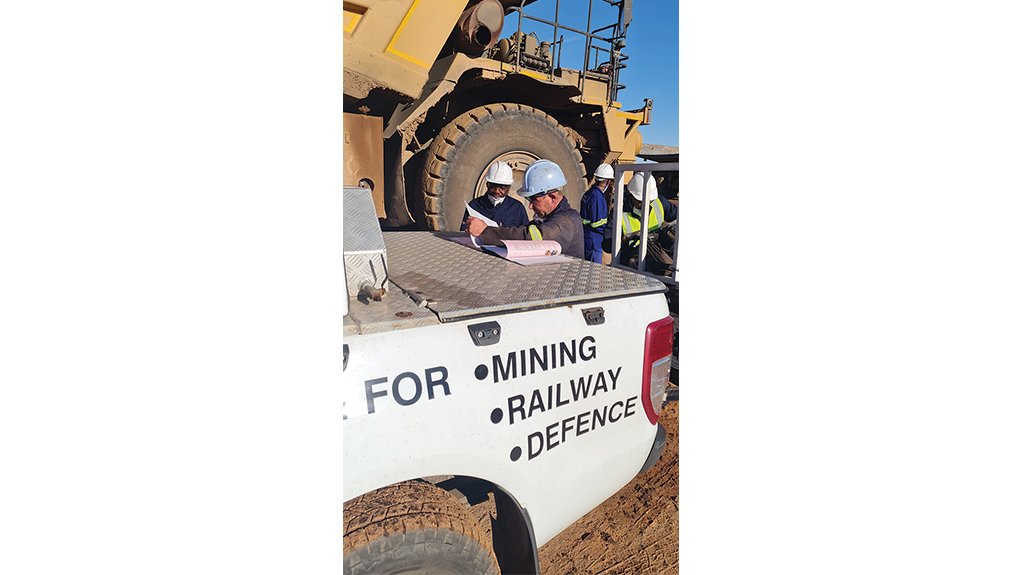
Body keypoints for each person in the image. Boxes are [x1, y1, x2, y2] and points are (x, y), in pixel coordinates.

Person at [465, 159, 584, 259]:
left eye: (534, 200)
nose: (530, 206)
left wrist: (485, 231)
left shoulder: (566, 222)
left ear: (552, 197)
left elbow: (529, 237)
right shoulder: (553, 218)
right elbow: (527, 229)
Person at [602, 171, 678, 274]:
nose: (645, 206)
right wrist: (626, 238)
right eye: (640, 202)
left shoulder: (659, 202)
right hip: (630, 266)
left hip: (656, 259)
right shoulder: (619, 211)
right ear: (631, 195)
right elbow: (607, 245)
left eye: (649, 202)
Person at [460, 161, 530, 230]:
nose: (496, 191)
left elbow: (525, 236)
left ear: (509, 188)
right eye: (493, 186)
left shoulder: (517, 208)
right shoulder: (474, 206)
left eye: (502, 187)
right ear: (487, 185)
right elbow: (464, 232)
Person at [580, 163, 613, 263]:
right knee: (593, 273)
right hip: (595, 242)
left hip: (589, 239)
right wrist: (609, 231)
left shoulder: (590, 193)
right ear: (607, 181)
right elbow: (596, 223)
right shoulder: (597, 197)